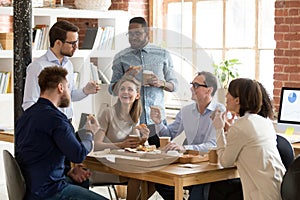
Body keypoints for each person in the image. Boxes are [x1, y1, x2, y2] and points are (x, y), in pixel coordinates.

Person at [22, 20, 101, 188]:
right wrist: (49, 120)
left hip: (66, 125)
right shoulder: (38, 67)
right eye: (72, 43)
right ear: (58, 43)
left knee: (77, 176)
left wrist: (85, 91)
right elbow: (29, 103)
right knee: (60, 176)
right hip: (48, 130)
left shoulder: (69, 64)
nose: (76, 47)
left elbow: (67, 96)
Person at [15, 66, 107, 200]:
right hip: (49, 191)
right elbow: (78, 154)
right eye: (68, 87)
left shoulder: (25, 116)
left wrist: (67, 171)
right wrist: (89, 133)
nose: (69, 92)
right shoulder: (56, 120)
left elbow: (40, 155)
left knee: (82, 181)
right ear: (60, 87)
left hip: (32, 188)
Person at [150, 71, 225, 200]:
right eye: (192, 84)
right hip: (190, 164)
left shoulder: (220, 111)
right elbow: (169, 134)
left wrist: (184, 148)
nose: (191, 88)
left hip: (211, 167)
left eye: (196, 85)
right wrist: (159, 123)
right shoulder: (186, 111)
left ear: (209, 90)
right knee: (161, 181)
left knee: (197, 192)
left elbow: (213, 145)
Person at [212, 78, 285, 200]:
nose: (226, 95)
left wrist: (219, 129)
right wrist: (228, 130)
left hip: (262, 194)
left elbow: (225, 162)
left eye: (229, 92)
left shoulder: (240, 126)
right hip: (278, 189)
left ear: (237, 100)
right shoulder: (264, 122)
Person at [93, 76, 155, 200]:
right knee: (135, 175)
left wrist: (143, 139)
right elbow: (96, 145)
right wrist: (121, 145)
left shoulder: (136, 116)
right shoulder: (108, 113)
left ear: (137, 95)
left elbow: (133, 146)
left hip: (125, 164)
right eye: (122, 89)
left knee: (154, 179)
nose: (125, 92)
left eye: (130, 89)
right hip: (104, 166)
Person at [109, 17, 178, 127]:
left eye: (137, 33)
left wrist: (160, 83)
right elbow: (112, 90)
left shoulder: (163, 54)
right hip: (130, 120)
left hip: (156, 120)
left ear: (147, 33)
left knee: (160, 145)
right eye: (130, 34)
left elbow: (174, 86)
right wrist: (125, 78)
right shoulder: (121, 57)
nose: (133, 37)